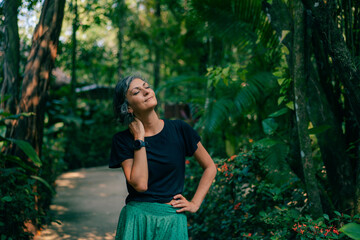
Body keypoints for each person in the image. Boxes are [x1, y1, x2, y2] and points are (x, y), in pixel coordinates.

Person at [109, 74, 217, 240]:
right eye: (137, 91)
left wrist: (195, 203)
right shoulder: (122, 140)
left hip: (172, 220)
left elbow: (210, 167)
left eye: (147, 86)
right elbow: (140, 184)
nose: (146, 91)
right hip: (137, 219)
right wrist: (139, 138)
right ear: (129, 108)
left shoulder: (180, 129)